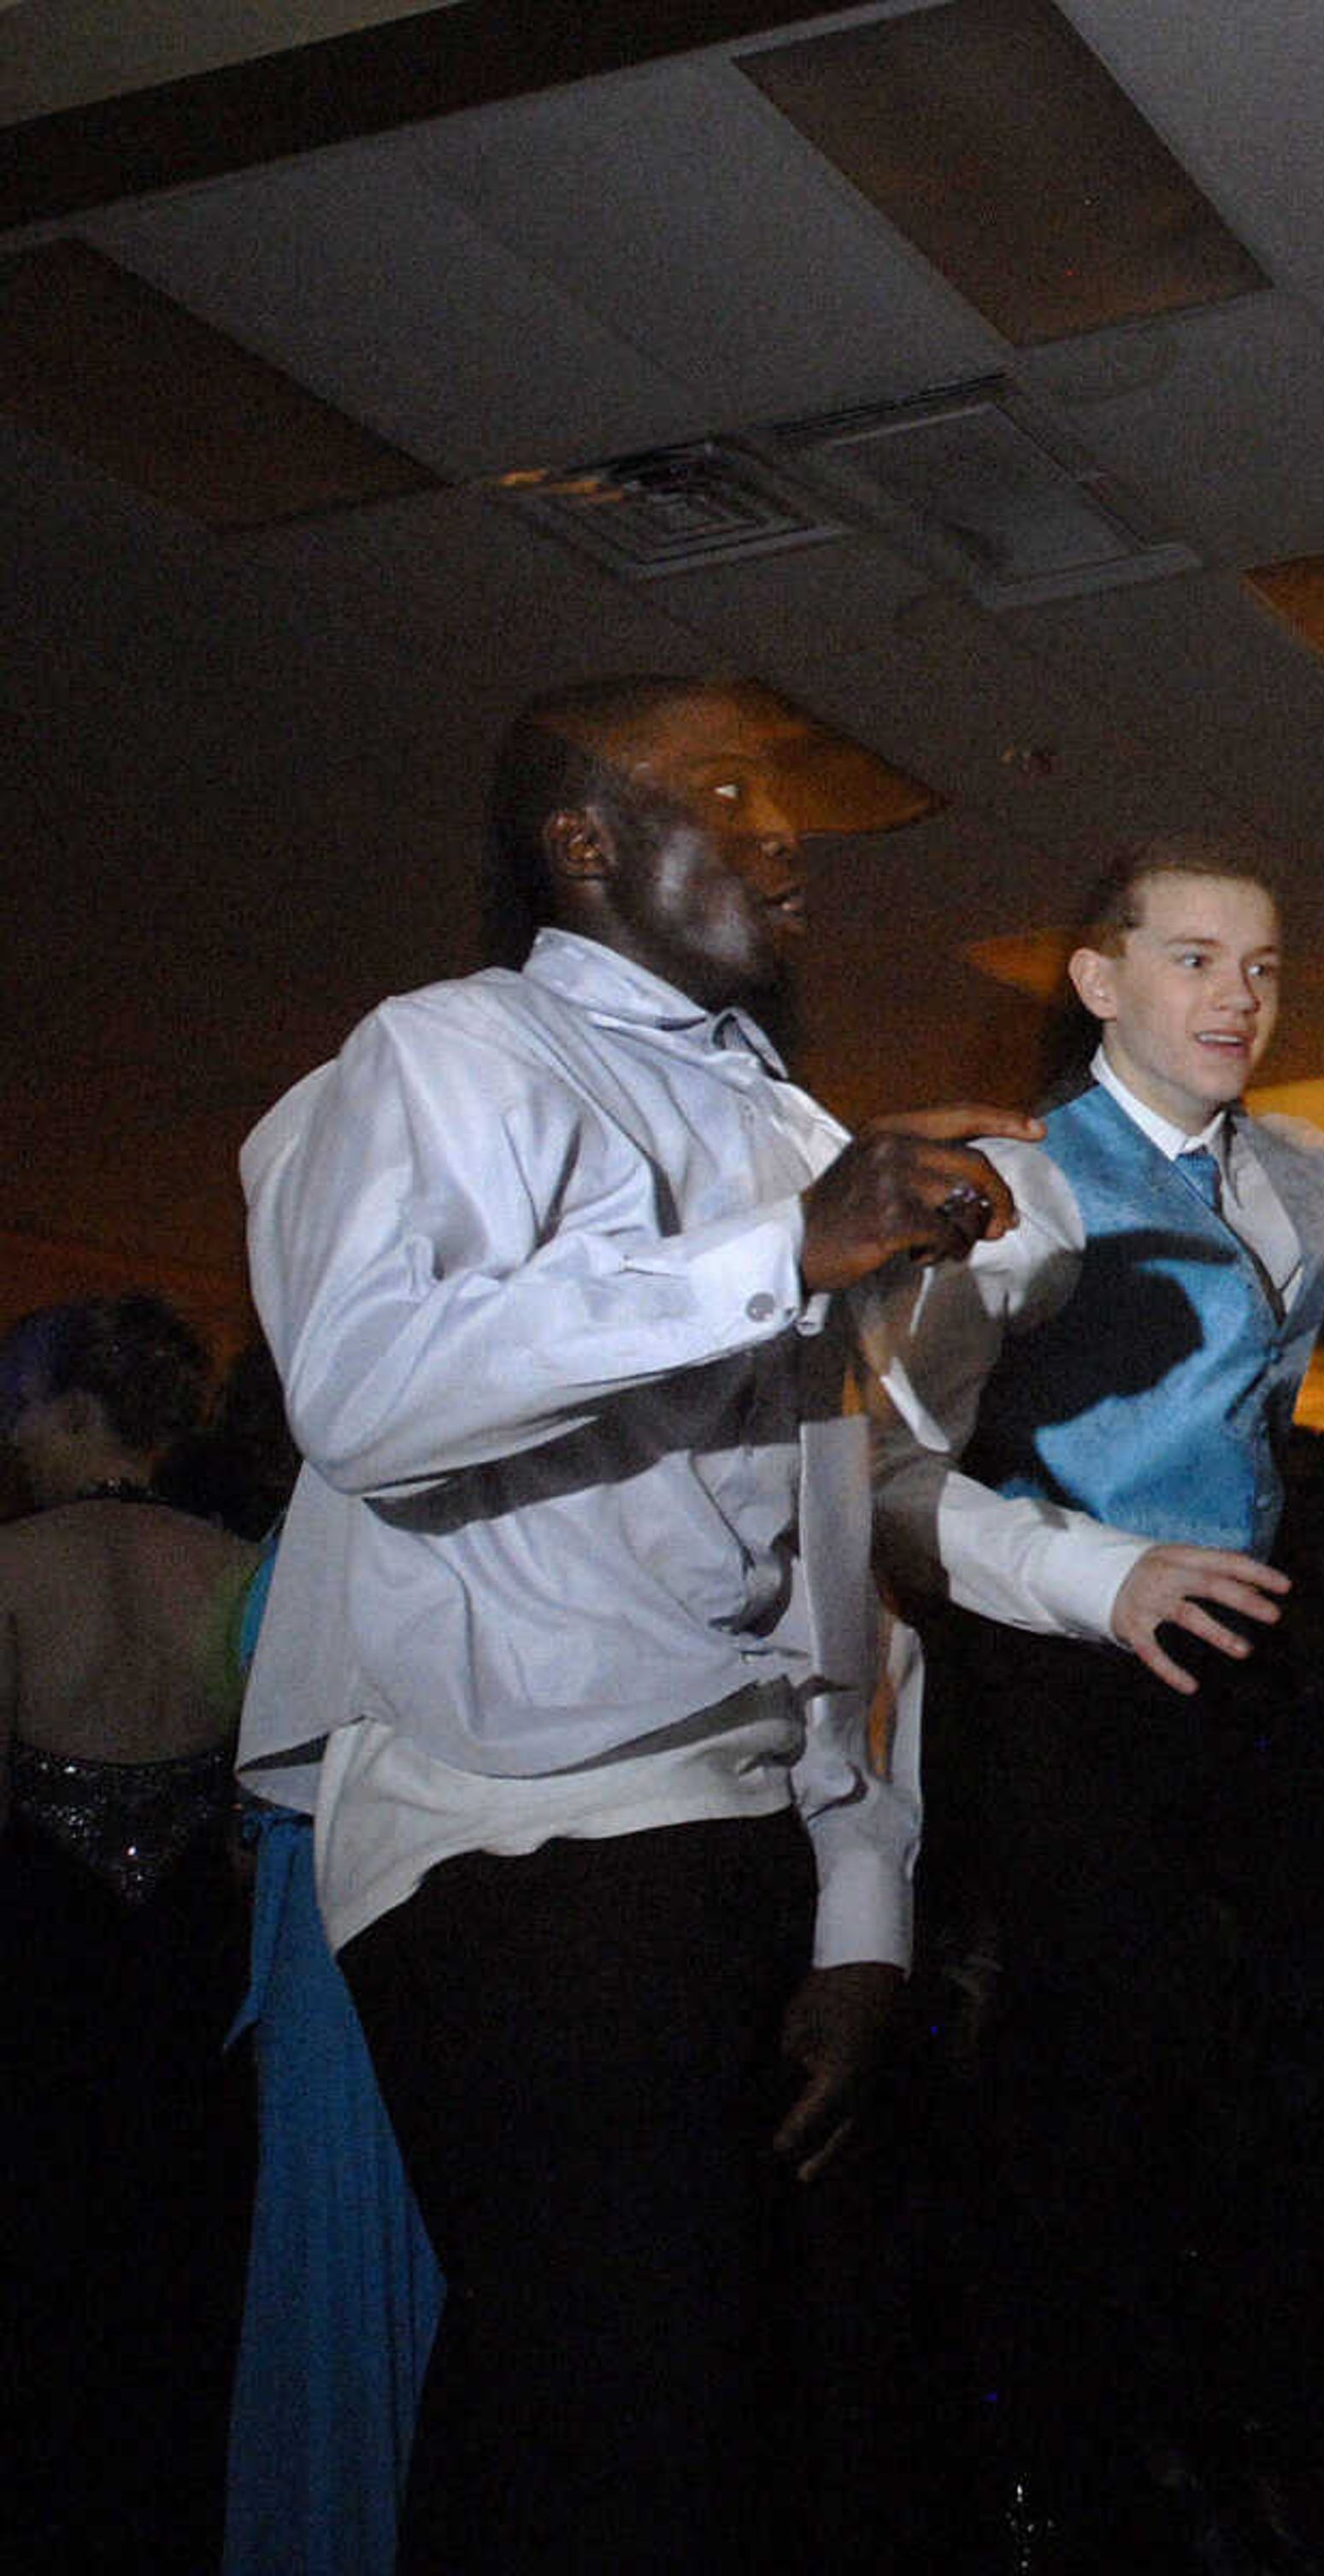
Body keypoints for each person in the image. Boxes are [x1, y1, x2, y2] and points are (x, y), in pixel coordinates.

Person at [239, 673, 1011, 2572]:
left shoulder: (781, 1121)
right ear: (581, 847)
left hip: (740, 1839)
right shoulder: (455, 1055)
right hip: (527, 1848)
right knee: (638, 2429)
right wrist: (782, 1253)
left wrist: (857, 1910)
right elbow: (366, 1393)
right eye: (725, 796)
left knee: (731, 2422)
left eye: (784, 800)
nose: (782, 833)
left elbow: (819, 1546)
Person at [876, 841, 1324, 2561]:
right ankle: (1077, 2496)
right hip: (1059, 1685)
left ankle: (1279, 2471)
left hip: (1250, 1677)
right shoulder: (1012, 1186)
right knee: (1099, 2095)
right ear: (1101, 983)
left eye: (1263, 966)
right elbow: (885, 1482)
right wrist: (1095, 1576)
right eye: (1194, 960)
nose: (1238, 999)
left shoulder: (1306, 1177)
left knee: (1303, 2083)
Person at [0, 1292, 261, 2576]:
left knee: (49, 2284)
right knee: (175, 2280)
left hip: (45, 1966)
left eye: (22, 1407)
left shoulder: (11, 1568)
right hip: (191, 1967)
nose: (13, 1434)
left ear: (77, 1407)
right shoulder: (236, 1569)